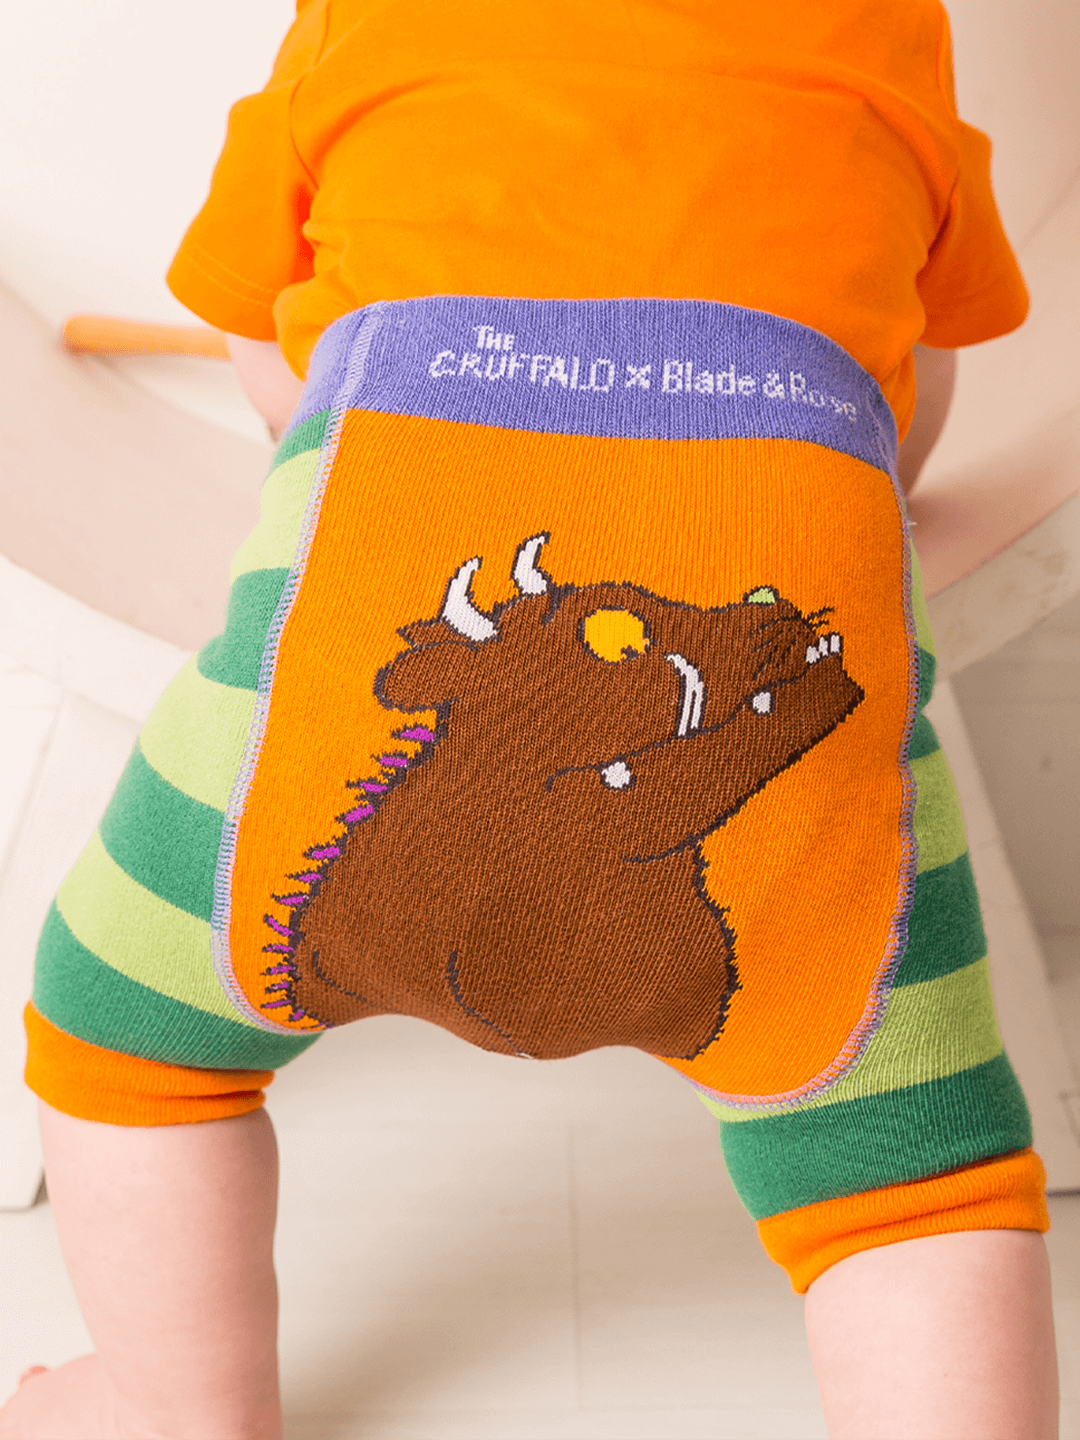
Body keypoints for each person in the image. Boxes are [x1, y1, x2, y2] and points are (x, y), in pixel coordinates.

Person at [0, 1, 1060, 1436]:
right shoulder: (891, 34)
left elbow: (265, 349)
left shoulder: (354, 27)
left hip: (351, 675)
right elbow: (911, 400)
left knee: (117, 1032)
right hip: (789, 606)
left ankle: (166, 1401)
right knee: (913, 1189)